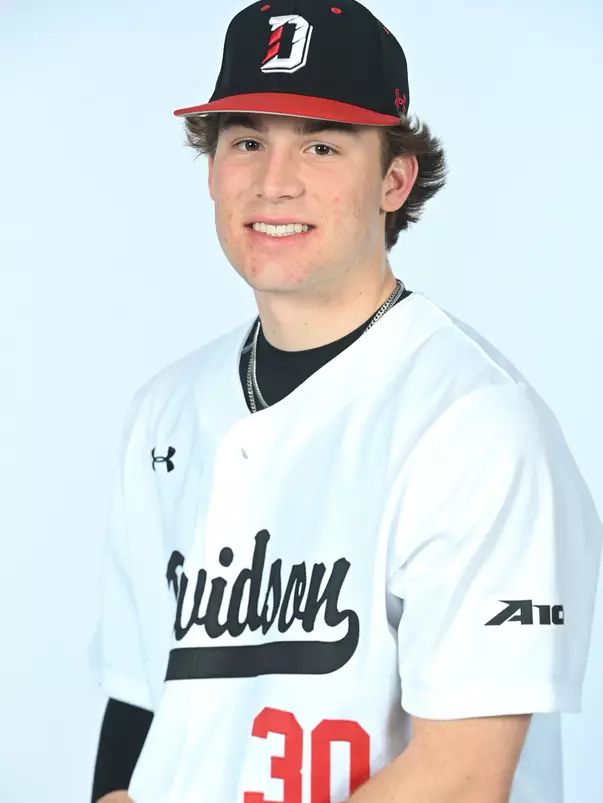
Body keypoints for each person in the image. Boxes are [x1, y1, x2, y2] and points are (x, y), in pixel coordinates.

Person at [89, 1, 603, 801]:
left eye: (321, 145)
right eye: (247, 141)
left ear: (394, 179)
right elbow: (140, 703)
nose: (274, 181)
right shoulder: (164, 409)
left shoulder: (475, 422)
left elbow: (461, 779)